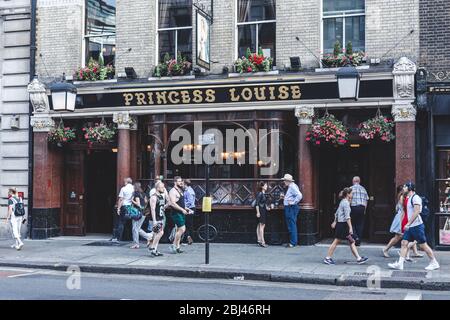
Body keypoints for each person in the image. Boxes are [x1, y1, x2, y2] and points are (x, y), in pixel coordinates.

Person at [388, 182, 440, 271]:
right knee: (404, 243)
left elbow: (416, 212)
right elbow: (406, 212)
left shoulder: (416, 198)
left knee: (423, 245)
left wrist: (408, 223)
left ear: (410, 188)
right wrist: (404, 224)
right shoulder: (408, 198)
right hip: (411, 226)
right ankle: (400, 264)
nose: (403, 188)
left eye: (405, 186)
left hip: (417, 226)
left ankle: (434, 262)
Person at [324, 188, 369, 265]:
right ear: (348, 194)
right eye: (352, 193)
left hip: (342, 225)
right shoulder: (346, 203)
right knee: (336, 241)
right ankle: (327, 258)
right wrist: (350, 228)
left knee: (352, 241)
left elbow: (337, 213)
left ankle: (359, 258)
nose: (353, 195)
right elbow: (347, 217)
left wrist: (335, 221)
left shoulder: (343, 202)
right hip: (343, 225)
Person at [383, 186, 423, 259]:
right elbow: (403, 209)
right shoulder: (402, 196)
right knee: (398, 236)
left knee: (411, 235)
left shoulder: (408, 196)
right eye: (404, 188)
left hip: (407, 217)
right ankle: (386, 249)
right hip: (401, 217)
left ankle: (414, 252)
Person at [149, 181, 170, 257]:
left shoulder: (161, 196)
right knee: (160, 233)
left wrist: (164, 206)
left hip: (160, 217)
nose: (163, 188)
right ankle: (152, 247)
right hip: (156, 218)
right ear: (157, 188)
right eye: (161, 187)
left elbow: (164, 205)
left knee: (156, 234)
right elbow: (152, 209)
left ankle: (154, 250)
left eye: (163, 187)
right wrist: (154, 220)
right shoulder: (154, 197)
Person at [169, 176, 189, 254]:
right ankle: (173, 245)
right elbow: (173, 203)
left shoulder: (180, 190)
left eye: (181, 181)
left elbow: (180, 203)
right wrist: (182, 210)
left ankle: (177, 247)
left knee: (178, 230)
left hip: (181, 212)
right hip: (176, 213)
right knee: (182, 229)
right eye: (179, 181)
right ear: (175, 182)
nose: (181, 182)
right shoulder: (172, 191)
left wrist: (186, 208)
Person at [281, 174, 302, 248]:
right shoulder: (292, 186)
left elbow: (299, 195)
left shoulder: (292, 186)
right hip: (291, 207)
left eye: (284, 180)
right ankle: (293, 241)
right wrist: (285, 198)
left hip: (291, 207)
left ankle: (293, 242)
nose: (284, 181)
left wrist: (293, 202)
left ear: (287, 181)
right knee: (291, 224)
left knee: (291, 225)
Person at [130, 182, 153, 249]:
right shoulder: (143, 193)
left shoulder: (136, 193)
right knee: (138, 228)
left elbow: (138, 204)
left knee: (134, 228)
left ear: (135, 187)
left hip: (137, 213)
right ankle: (149, 237)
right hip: (143, 213)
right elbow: (146, 202)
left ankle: (136, 244)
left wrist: (132, 200)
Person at [113, 177, 134, 242]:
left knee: (121, 222)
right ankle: (129, 237)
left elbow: (121, 199)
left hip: (124, 206)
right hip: (131, 206)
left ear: (126, 182)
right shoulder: (133, 188)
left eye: (124, 182)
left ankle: (119, 238)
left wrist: (118, 208)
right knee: (130, 223)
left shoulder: (124, 188)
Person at [349, 176, 369, 246]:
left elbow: (349, 199)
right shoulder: (363, 189)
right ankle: (358, 240)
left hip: (353, 208)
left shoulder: (351, 188)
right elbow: (366, 200)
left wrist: (348, 208)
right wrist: (364, 210)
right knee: (360, 224)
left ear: (353, 181)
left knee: (351, 223)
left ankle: (355, 237)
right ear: (359, 181)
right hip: (362, 208)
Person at [255, 182, 270, 248]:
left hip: (263, 210)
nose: (267, 186)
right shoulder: (260, 194)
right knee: (262, 225)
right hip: (261, 211)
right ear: (262, 187)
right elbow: (257, 204)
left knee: (259, 225)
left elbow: (263, 203)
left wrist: (267, 207)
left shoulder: (263, 194)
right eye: (265, 185)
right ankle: (262, 242)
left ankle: (259, 240)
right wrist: (258, 212)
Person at [183, 179, 196, 245]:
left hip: (189, 209)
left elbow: (190, 202)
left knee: (188, 224)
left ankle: (189, 238)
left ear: (185, 184)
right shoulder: (188, 190)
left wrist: (183, 205)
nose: (182, 185)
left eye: (183, 183)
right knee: (188, 224)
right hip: (190, 209)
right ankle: (189, 238)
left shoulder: (188, 191)